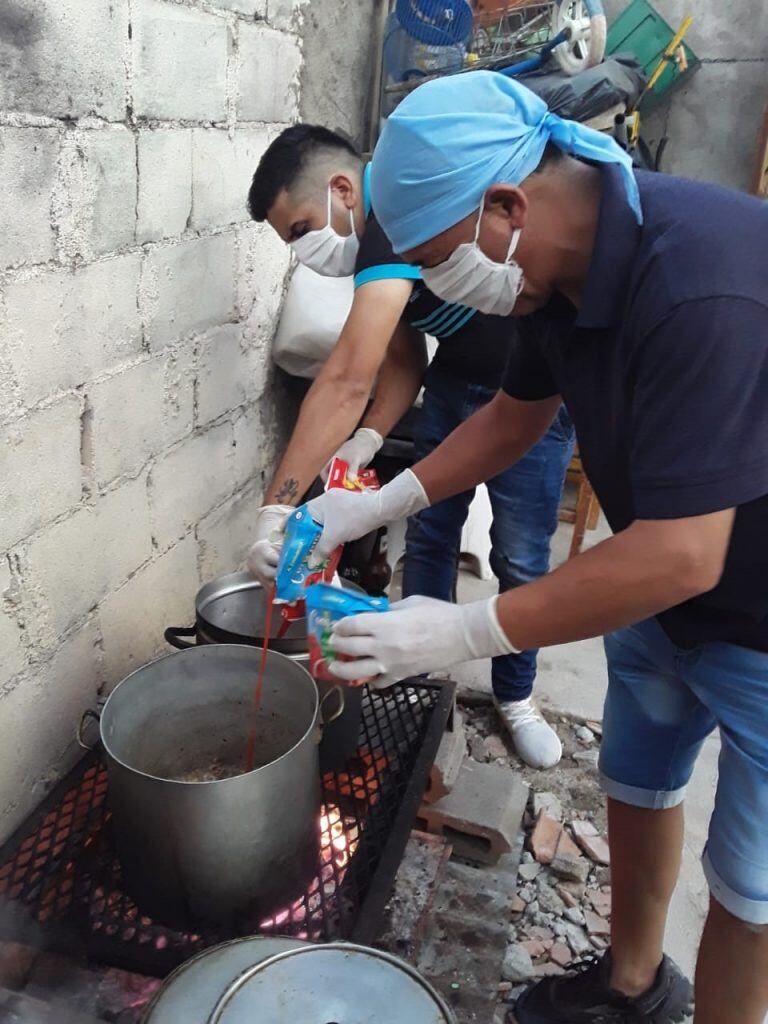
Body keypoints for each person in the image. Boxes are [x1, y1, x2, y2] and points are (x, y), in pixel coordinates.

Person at [303, 73, 768, 1024]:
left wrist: (465, 631)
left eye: (438, 260)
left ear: (508, 207)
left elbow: (687, 552)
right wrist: (376, 500)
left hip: (756, 617)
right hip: (650, 600)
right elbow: (513, 423)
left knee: (750, 894)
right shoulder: (553, 279)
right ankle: (634, 986)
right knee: (639, 788)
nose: (438, 288)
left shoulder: (700, 283)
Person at [246, 124, 575, 768]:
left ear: (343, 189)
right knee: (426, 538)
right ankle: (426, 685)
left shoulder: (390, 213)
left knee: (522, 555)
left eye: (300, 228)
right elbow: (400, 363)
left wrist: (276, 510)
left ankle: (517, 698)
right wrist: (366, 439)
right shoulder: (374, 251)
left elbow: (346, 377)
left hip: (533, 394)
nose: (302, 250)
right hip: (454, 383)